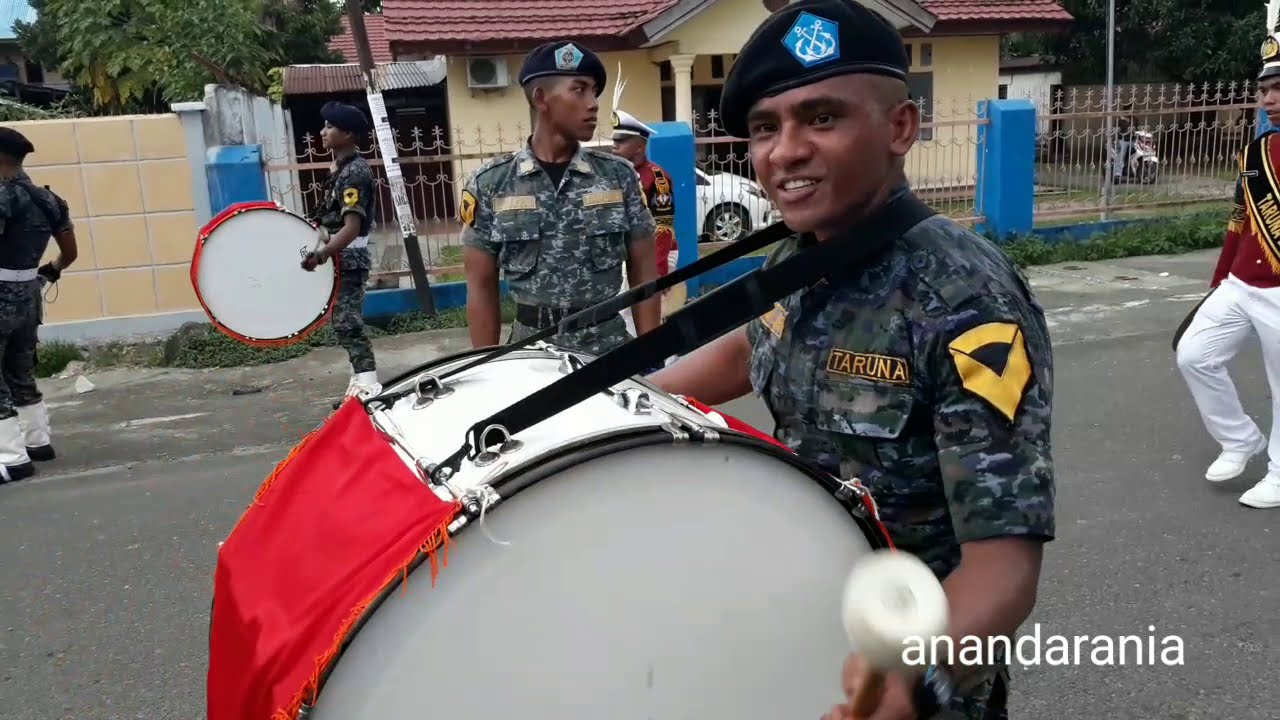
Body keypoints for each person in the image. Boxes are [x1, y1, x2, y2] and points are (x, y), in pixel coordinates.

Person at [646, 1, 1056, 717]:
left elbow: (1002, 567)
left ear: (900, 128)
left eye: (822, 118)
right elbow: (756, 343)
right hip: (801, 633)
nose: (785, 151)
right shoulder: (802, 255)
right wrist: (639, 397)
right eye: (766, 128)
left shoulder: (965, 300)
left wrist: (910, 679)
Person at [460, 41, 660, 357]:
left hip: (607, 352)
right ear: (541, 98)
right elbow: (481, 286)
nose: (593, 103)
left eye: (595, 92)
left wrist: (652, 352)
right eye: (579, 90)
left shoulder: (618, 176)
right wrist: (487, 368)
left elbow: (644, 270)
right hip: (530, 355)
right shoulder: (492, 183)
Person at [1174, 34, 1280, 509]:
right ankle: (1240, 439)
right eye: (1265, 89)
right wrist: (1220, 278)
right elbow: (1239, 220)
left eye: (1279, 87)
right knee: (1194, 354)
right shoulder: (1257, 152)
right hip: (1240, 284)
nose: (1269, 98)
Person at [0, 127, 78, 483]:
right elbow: (70, 253)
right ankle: (37, 442)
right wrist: (48, 272)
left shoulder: (4, 197)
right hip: (30, 294)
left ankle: (12, 459)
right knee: (21, 372)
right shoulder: (48, 200)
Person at [301, 101, 380, 400]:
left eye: (329, 127)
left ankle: (369, 385)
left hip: (349, 257)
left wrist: (323, 254)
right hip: (340, 256)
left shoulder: (355, 173)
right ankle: (358, 380)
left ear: (347, 134)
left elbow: (351, 226)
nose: (323, 132)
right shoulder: (341, 169)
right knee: (342, 321)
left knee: (347, 322)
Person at [611, 102, 679, 338]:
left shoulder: (658, 179)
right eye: (614, 141)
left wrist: (659, 272)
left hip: (654, 256)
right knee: (626, 315)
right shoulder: (621, 175)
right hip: (628, 255)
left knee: (648, 317)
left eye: (621, 141)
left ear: (639, 146)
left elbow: (663, 227)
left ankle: (661, 367)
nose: (614, 146)